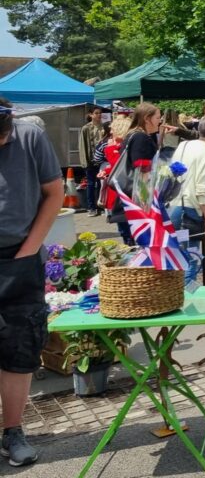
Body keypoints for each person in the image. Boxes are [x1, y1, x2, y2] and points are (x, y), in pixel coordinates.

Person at [0, 97, 63, 467]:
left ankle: (12, 431)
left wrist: (29, 250)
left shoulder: (29, 136)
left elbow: (54, 194)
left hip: (20, 259)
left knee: (20, 350)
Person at [112, 103, 162, 245]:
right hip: (135, 206)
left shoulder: (133, 134)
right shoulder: (141, 138)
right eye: (158, 117)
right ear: (147, 119)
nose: (160, 120)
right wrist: (146, 206)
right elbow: (142, 174)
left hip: (128, 203)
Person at [168, 116, 205, 243]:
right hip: (190, 210)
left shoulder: (184, 145)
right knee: (192, 257)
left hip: (173, 205)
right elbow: (203, 192)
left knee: (178, 255)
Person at [78, 106, 106, 217]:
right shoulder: (86, 128)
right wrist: (84, 161)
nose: (99, 115)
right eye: (96, 113)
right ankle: (91, 207)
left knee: (101, 184)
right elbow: (82, 145)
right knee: (90, 184)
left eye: (100, 113)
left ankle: (100, 206)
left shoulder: (104, 127)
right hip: (90, 161)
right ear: (91, 115)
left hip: (101, 160)